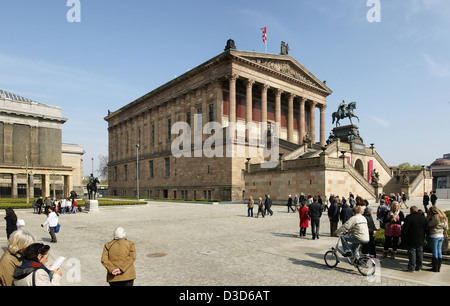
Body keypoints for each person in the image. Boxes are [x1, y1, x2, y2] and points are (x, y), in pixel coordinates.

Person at [401, 206, 429, 272]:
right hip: (420, 238)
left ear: (411, 211)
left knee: (412, 253)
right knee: (419, 252)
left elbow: (405, 229)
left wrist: (403, 236)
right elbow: (426, 229)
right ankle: (419, 267)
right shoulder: (423, 218)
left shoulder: (409, 217)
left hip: (411, 238)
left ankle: (411, 267)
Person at [427, 206, 448, 272]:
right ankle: (439, 266)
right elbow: (446, 227)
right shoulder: (443, 216)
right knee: (439, 251)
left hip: (434, 234)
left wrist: (428, 218)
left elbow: (429, 224)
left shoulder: (435, 217)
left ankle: (435, 267)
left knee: (435, 251)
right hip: (441, 235)